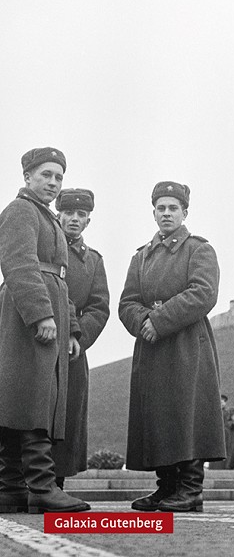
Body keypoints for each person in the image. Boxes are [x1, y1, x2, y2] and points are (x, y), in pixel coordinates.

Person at [119, 181, 225, 513]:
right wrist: (144, 322)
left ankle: (191, 489)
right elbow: (127, 302)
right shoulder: (141, 257)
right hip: (151, 346)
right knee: (158, 416)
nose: (166, 213)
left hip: (186, 344)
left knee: (186, 413)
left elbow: (203, 293)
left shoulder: (198, 249)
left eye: (173, 208)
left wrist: (160, 321)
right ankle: (166, 487)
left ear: (184, 213)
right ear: (153, 213)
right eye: (161, 208)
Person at [0, 148, 90, 513]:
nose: (53, 182)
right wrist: (40, 315)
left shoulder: (46, 216)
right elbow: (18, 263)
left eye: (58, 177)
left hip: (49, 308)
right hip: (27, 312)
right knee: (32, 396)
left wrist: (72, 330)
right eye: (46, 175)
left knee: (31, 396)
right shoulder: (20, 210)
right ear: (28, 177)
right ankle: (39, 485)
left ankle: (9, 488)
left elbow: (60, 278)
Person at [52, 188, 110, 489]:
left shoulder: (93, 261)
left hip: (73, 350)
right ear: (58, 214)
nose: (74, 219)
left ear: (88, 220)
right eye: (68, 213)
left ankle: (56, 484)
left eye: (81, 214)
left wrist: (79, 337)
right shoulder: (44, 248)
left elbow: (99, 307)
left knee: (68, 414)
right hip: (38, 339)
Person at [208, 393, 231, 470]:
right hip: (216, 433)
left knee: (225, 449)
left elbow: (230, 422)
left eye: (223, 402)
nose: (222, 404)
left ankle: (225, 466)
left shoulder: (228, 412)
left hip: (225, 433)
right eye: (220, 402)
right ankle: (214, 466)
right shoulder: (213, 412)